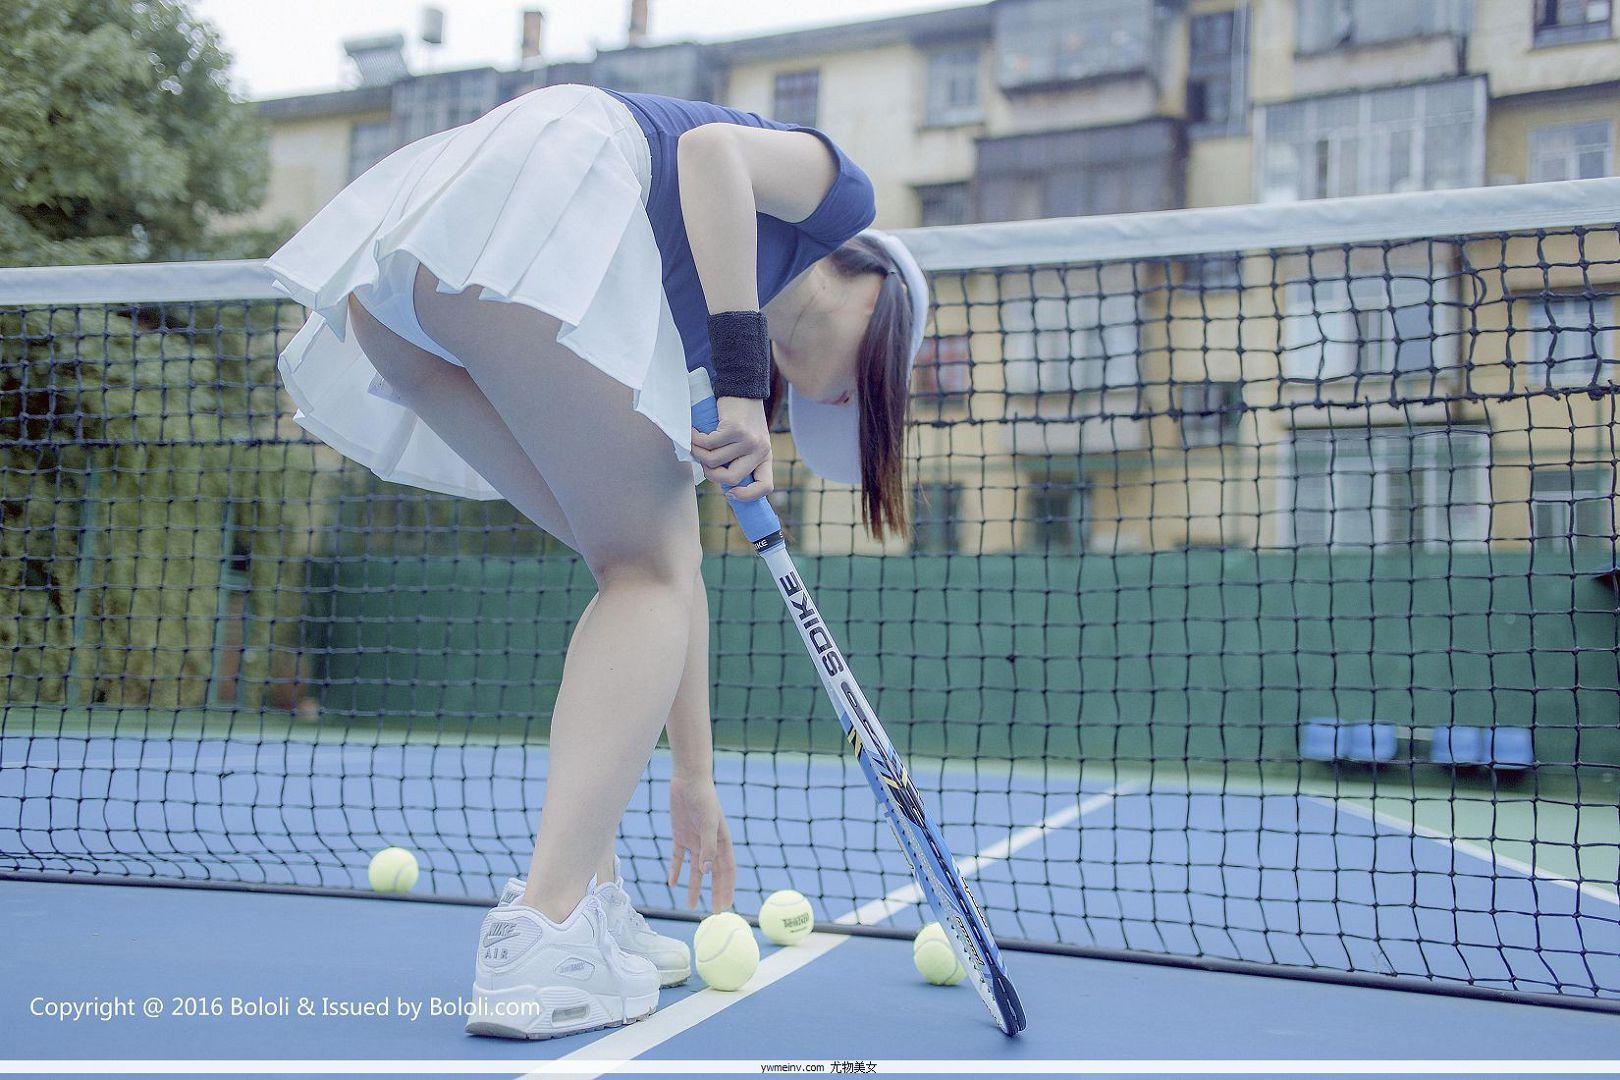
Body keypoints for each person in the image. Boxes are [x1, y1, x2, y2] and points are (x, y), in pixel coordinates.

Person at [265, 81, 927, 1039]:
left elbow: (670, 579)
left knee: (631, 565)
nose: (824, 408)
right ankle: (547, 922)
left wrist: (692, 776)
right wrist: (744, 389)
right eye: (861, 401)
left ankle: (592, 897)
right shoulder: (843, 200)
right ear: (883, 300)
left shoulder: (687, 338)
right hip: (527, 203)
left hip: (415, 283)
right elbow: (709, 156)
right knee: (640, 567)